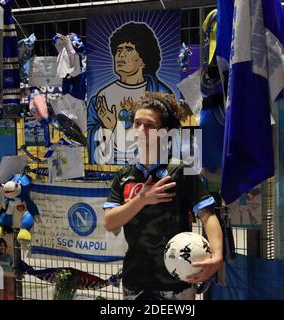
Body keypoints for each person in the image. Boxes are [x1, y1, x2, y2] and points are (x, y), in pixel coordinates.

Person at [103, 93, 223, 300]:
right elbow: (110, 222)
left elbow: (208, 216)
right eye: (137, 123)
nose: (141, 130)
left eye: (149, 125)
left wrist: (218, 256)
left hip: (177, 283)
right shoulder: (124, 176)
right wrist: (142, 199)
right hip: (135, 282)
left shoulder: (181, 171)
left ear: (164, 132)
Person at [87, 22, 174, 165]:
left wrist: (114, 126)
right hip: (110, 170)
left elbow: (169, 137)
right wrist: (104, 129)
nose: (120, 54)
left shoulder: (161, 93)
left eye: (129, 49)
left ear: (143, 59)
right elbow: (92, 139)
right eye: (118, 49)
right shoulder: (100, 98)